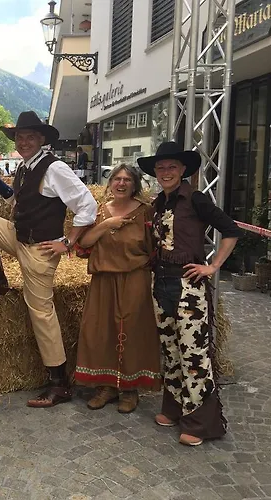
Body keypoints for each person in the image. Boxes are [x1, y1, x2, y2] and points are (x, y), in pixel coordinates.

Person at [0, 111, 97, 408]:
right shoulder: (25, 167)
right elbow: (19, 201)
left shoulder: (54, 168)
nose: (24, 142)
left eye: (30, 137)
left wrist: (67, 242)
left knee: (41, 312)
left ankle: (59, 383)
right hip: (19, 237)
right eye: (20, 137)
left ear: (42, 139)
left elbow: (88, 206)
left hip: (39, 249)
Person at [137, 141, 242, 446]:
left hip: (188, 285)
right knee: (170, 350)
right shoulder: (158, 203)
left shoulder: (195, 199)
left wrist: (213, 266)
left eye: (172, 167)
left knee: (193, 352)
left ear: (183, 170)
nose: (166, 172)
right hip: (161, 283)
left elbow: (231, 230)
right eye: (161, 167)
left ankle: (200, 422)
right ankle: (173, 408)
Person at [74, 164, 162, 413]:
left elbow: (157, 246)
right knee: (101, 331)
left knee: (133, 331)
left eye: (127, 180)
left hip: (135, 278)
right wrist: (106, 225)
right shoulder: (99, 210)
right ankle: (107, 386)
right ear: (110, 183)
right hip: (103, 279)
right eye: (117, 179)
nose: (121, 184)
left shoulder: (146, 212)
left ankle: (130, 389)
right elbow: (83, 243)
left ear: (135, 185)